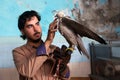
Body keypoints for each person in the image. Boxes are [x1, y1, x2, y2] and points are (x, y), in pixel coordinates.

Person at [12, 10, 73, 80]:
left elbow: (66, 77)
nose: (36, 29)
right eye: (30, 26)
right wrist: (49, 40)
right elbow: (28, 72)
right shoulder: (18, 52)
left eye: (37, 24)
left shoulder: (54, 49)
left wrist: (63, 66)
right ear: (22, 31)